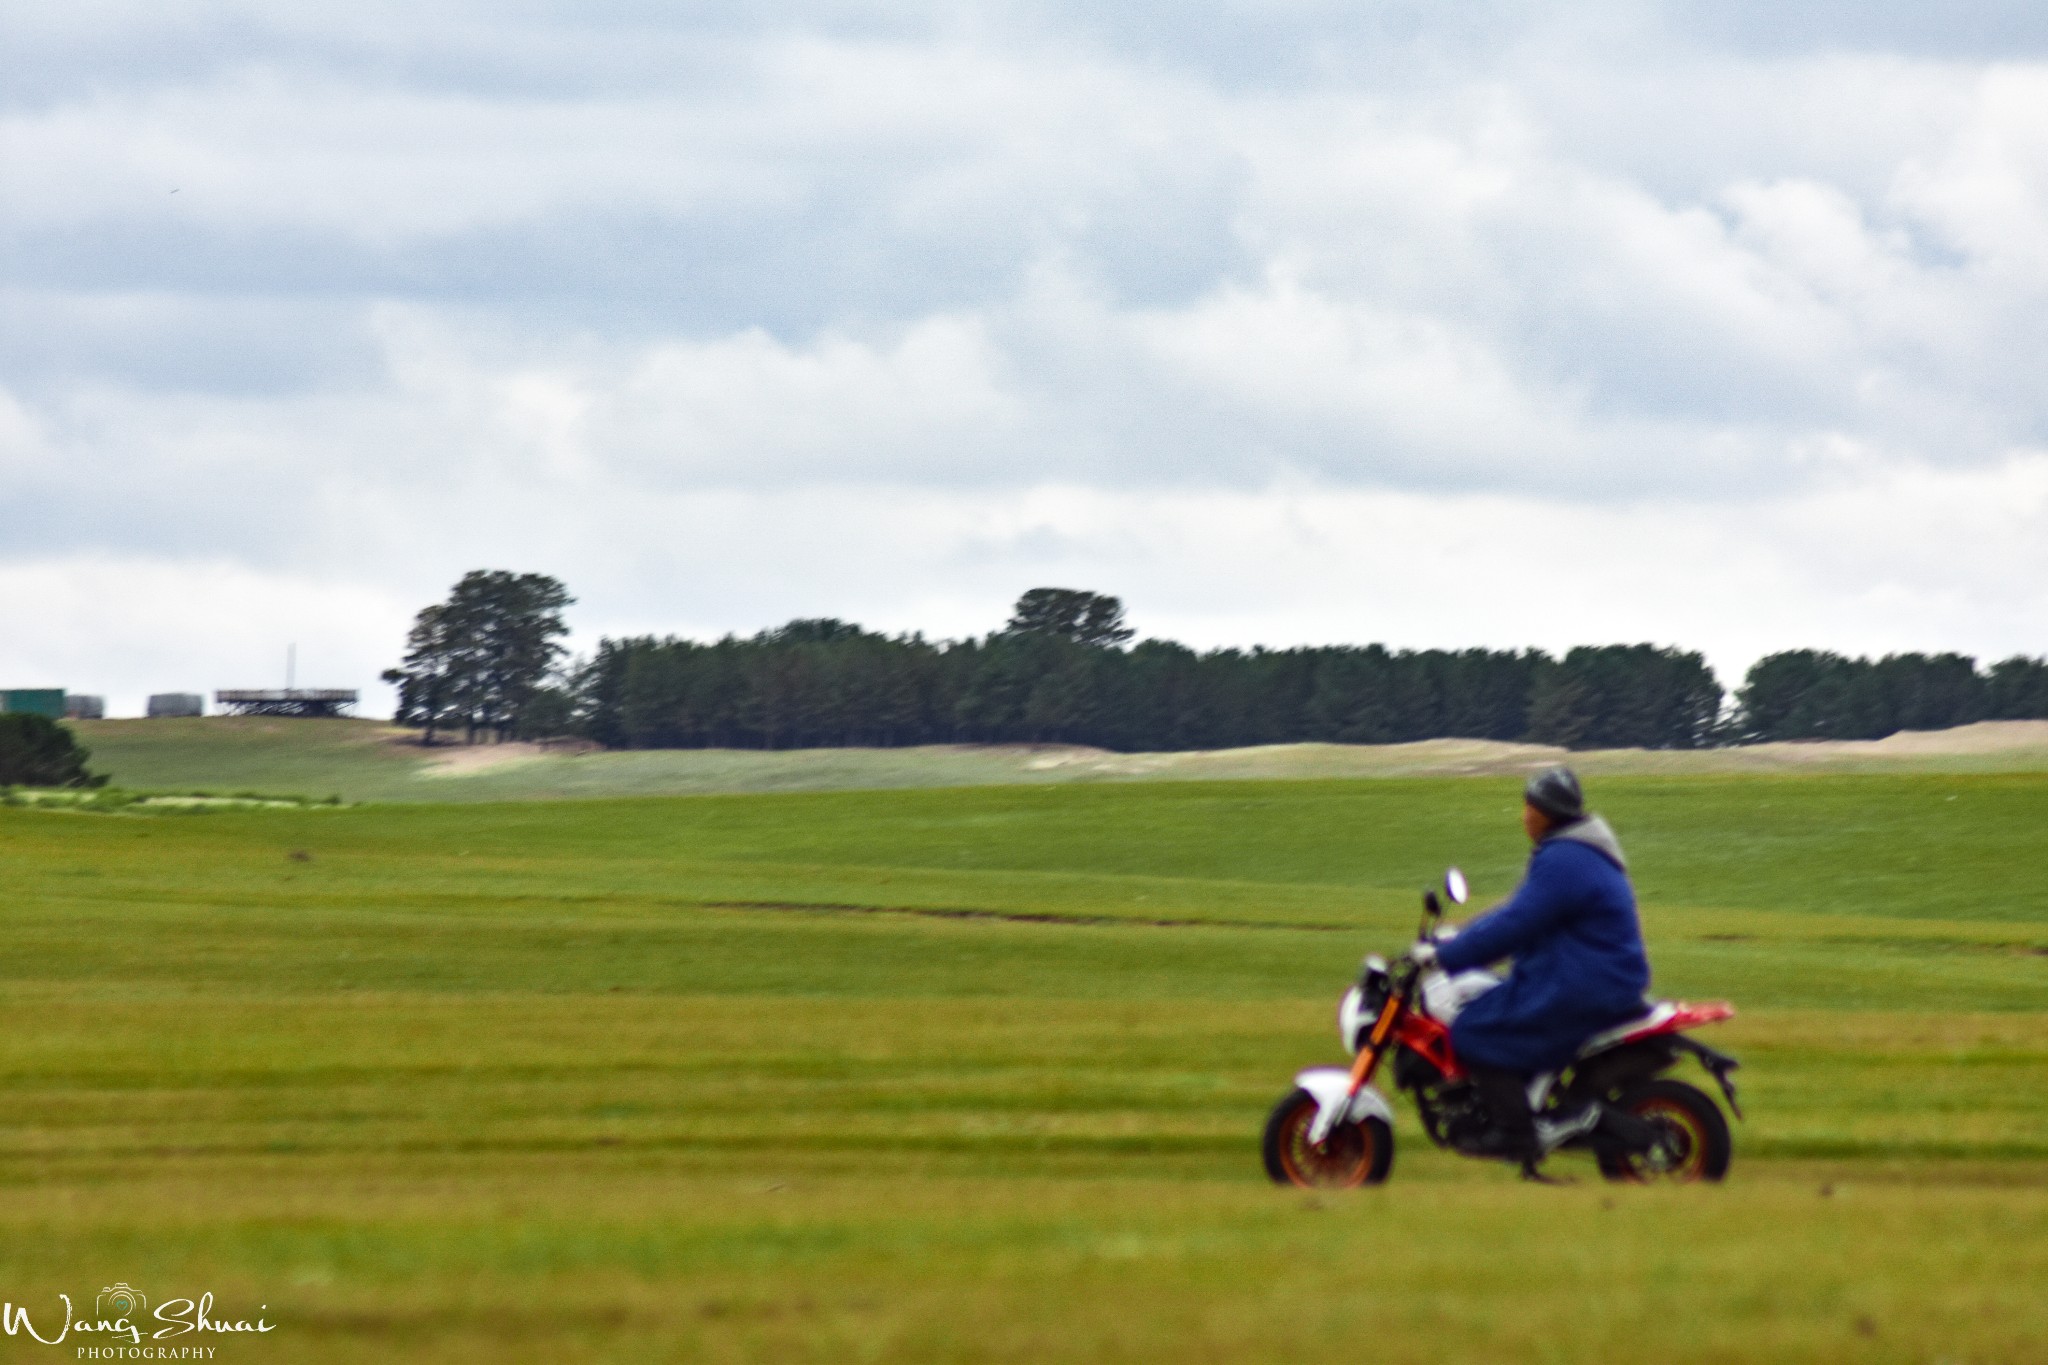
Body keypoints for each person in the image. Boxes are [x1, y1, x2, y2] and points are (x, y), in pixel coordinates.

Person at [1410, 766, 1650, 1174]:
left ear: (1547, 811)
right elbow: (1516, 914)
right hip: (1583, 977)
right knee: (1492, 1007)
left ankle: (1518, 1133)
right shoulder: (1573, 852)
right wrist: (1456, 941)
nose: (1523, 815)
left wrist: (1444, 957)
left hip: (1582, 985)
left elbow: (1516, 924)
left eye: (1528, 806)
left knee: (1472, 1029)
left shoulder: (1565, 860)